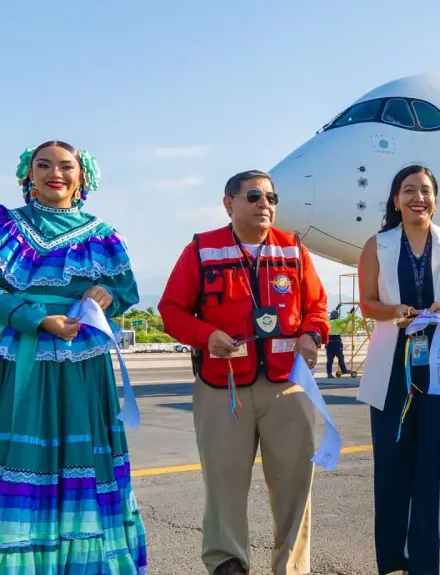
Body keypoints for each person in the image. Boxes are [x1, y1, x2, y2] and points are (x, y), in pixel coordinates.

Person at [158, 169, 330, 575]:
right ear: (228, 203)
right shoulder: (202, 249)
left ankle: (291, 566)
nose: (264, 204)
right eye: (253, 196)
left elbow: (318, 307)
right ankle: (227, 562)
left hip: (288, 387)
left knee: (294, 485)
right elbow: (171, 310)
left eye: (271, 198)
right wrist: (206, 334)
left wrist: (312, 335)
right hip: (224, 387)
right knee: (224, 484)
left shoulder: (293, 249)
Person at [0, 141, 147, 573]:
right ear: (28, 175)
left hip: (83, 368)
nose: (55, 174)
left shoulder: (102, 234)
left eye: (66, 167)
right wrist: (34, 318)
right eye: (43, 165)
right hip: (20, 359)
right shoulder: (5, 226)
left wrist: (106, 295)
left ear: (84, 177)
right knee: (22, 455)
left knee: (83, 458)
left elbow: (125, 291)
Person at [356, 165, 440, 575]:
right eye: (408, 190)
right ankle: (392, 562)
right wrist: (396, 312)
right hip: (393, 363)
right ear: (395, 199)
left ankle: (425, 564)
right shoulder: (378, 245)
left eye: (425, 191)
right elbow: (368, 303)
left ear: (435, 199)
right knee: (392, 463)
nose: (417, 198)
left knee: (434, 465)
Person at [326, 305, 352, 377]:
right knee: (340, 357)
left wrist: (336, 308)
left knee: (329, 360)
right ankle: (343, 370)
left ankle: (329, 373)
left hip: (329, 343)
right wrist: (350, 313)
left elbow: (333, 314)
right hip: (337, 342)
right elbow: (346, 320)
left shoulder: (327, 322)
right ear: (337, 316)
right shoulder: (337, 322)